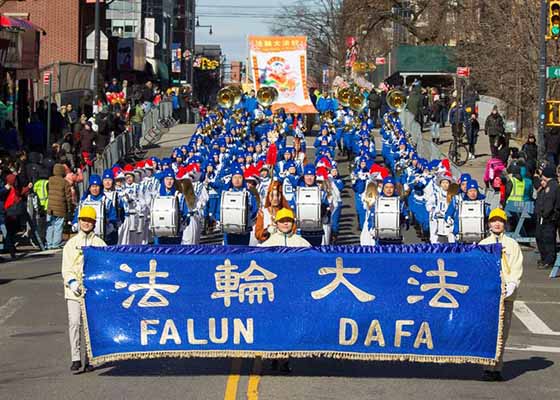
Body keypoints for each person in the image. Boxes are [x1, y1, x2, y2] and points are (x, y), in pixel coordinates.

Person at [479, 208, 523, 381]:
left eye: (500, 221)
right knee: (488, 330)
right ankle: (487, 367)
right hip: (489, 295)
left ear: (505, 223)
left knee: (503, 331)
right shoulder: (483, 244)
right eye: (494, 220)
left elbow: (517, 265)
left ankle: (497, 366)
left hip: (506, 294)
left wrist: (512, 283)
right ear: (489, 223)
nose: (497, 223)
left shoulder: (512, 244)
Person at [62, 206, 106, 373]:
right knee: (75, 323)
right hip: (73, 290)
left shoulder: (100, 244)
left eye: (90, 220)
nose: (86, 223)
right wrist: (72, 282)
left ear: (94, 223)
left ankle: (90, 359)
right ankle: (75, 358)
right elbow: (66, 268)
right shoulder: (71, 244)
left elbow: (104, 268)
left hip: (93, 292)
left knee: (92, 325)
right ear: (79, 221)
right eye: (83, 220)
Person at [534, 166, 560, 269]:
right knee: (540, 237)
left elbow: (549, 203)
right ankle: (545, 258)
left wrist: (544, 214)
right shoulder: (547, 186)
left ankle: (549, 260)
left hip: (548, 218)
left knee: (547, 239)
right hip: (544, 217)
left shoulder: (552, 187)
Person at [46, 164, 73, 250]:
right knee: (58, 225)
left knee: (50, 225)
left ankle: (49, 243)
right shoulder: (65, 182)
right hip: (60, 208)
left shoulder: (49, 180)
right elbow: (68, 197)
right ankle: (56, 243)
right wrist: (69, 209)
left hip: (50, 207)